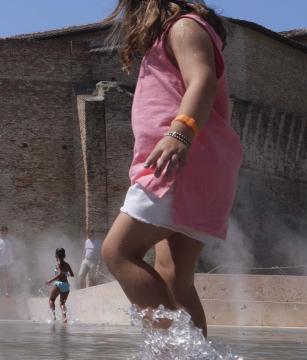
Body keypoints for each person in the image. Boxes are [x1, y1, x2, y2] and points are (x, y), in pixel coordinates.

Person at [99, 0, 241, 337]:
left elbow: (202, 79)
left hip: (178, 164)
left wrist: (180, 134)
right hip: (199, 166)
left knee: (118, 252)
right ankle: (197, 355)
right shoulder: (179, 32)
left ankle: (171, 350)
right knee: (175, 277)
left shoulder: (183, 27)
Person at [45, 248, 75, 324]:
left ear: (56, 255)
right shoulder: (67, 264)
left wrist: (50, 281)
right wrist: (66, 274)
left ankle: (54, 317)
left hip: (58, 284)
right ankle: (64, 318)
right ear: (64, 255)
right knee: (62, 303)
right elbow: (72, 275)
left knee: (51, 300)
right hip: (66, 285)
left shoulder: (58, 263)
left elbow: (60, 274)